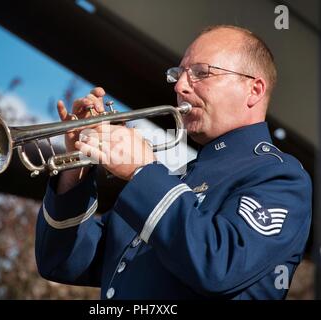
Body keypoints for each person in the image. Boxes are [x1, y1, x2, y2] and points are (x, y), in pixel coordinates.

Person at [35, 25, 312, 299]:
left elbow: (219, 266)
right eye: (178, 75)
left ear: (254, 90)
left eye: (201, 73)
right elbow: (61, 262)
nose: (180, 86)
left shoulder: (279, 176)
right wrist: (77, 166)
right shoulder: (175, 182)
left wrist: (142, 171)